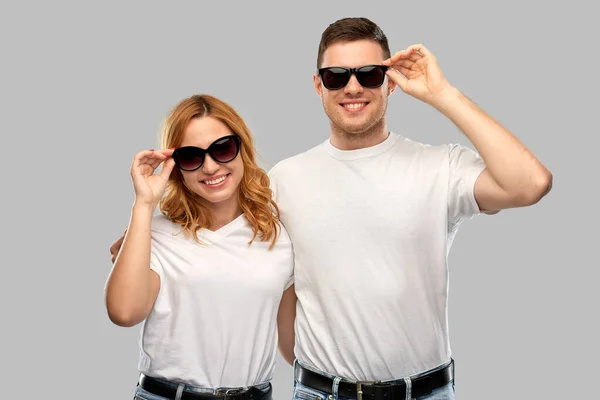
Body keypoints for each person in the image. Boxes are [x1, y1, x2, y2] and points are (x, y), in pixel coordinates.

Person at [265, 17, 552, 400]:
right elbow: (281, 286)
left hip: (424, 392)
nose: (353, 87)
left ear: (390, 81)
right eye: (336, 76)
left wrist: (442, 93)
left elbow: (531, 183)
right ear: (318, 85)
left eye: (369, 74)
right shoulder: (285, 179)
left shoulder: (439, 166)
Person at [104, 94, 296, 400]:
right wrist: (144, 204)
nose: (210, 166)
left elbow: (292, 346)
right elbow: (124, 313)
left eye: (222, 149)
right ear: (176, 166)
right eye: (192, 157)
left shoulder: (277, 236)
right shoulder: (156, 233)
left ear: (241, 148)